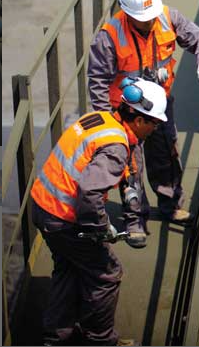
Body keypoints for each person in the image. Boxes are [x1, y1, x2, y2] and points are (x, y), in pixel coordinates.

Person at [31, 79, 167, 345]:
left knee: (68, 269)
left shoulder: (101, 119)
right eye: (154, 123)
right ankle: (101, 340)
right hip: (63, 218)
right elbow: (90, 193)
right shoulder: (116, 147)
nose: (154, 129)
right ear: (139, 120)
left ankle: (56, 337)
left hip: (43, 206)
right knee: (107, 274)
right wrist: (102, 228)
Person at [88, 0, 199, 247]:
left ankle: (170, 204)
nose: (149, 22)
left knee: (167, 154)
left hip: (160, 106)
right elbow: (98, 80)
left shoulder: (168, 18)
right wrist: (106, 123)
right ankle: (135, 220)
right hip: (125, 114)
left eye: (151, 16)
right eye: (143, 18)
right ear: (128, 13)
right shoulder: (110, 36)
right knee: (130, 165)